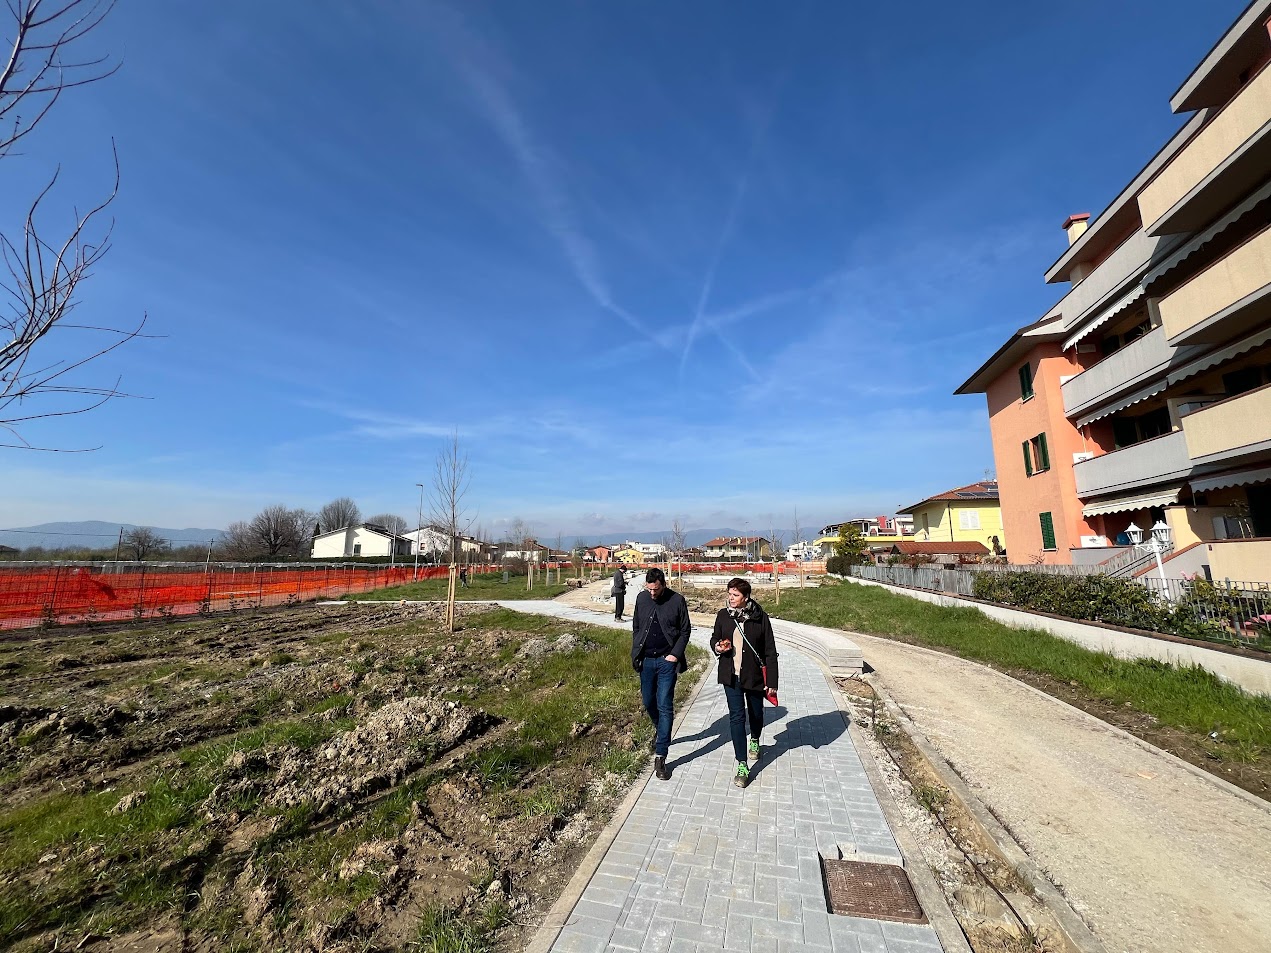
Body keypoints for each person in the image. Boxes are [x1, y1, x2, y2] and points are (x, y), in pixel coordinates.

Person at [710, 577, 779, 789]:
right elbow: (714, 638)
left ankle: (756, 738)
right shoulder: (723, 616)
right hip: (731, 677)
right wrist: (718, 647)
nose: (730, 599)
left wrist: (773, 681)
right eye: (729, 594)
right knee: (736, 718)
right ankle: (742, 764)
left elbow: (769, 651)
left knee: (756, 714)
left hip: (754, 677)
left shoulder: (760, 618)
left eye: (735, 595)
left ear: (745, 597)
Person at [631, 567, 693, 781]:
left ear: (663, 585)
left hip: (667, 661)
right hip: (646, 660)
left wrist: (675, 655)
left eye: (655, 590)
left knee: (665, 704)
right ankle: (661, 731)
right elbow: (636, 626)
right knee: (649, 702)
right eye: (649, 590)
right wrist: (636, 652)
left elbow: (686, 630)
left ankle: (661, 755)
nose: (652, 594)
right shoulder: (641, 598)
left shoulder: (677, 601)